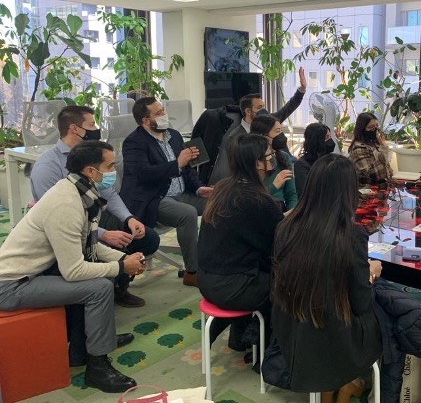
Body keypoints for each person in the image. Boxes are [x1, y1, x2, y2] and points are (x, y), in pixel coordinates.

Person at [0, 141, 147, 393]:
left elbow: (86, 243)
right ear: (91, 172)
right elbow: (74, 271)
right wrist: (122, 267)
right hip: (11, 286)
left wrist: (122, 259)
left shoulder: (77, 192)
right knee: (98, 287)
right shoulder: (67, 204)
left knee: (102, 274)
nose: (114, 171)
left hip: (33, 273)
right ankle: (97, 367)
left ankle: (83, 349)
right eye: (110, 166)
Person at [272, 154, 382, 394]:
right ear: (349, 191)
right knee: (389, 314)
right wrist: (370, 274)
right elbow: (362, 302)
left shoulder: (285, 227)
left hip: (290, 330)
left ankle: (341, 385)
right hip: (336, 336)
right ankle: (352, 383)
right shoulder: (352, 235)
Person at [30, 105, 159, 308]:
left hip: (94, 219)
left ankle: (118, 286)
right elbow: (58, 219)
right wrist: (103, 234)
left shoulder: (94, 154)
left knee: (147, 236)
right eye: (91, 124)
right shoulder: (47, 167)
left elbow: (109, 193)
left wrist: (128, 218)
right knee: (106, 247)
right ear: (74, 128)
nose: (96, 129)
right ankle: (102, 290)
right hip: (66, 231)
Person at [197, 133, 284, 351]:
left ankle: (241, 334)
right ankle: (270, 351)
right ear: (257, 163)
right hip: (233, 288)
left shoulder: (224, 188)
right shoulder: (257, 200)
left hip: (207, 280)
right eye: (269, 155)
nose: (272, 159)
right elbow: (279, 245)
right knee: (293, 283)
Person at [120, 97, 213, 288]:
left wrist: (198, 187)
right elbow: (143, 174)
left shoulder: (174, 135)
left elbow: (187, 170)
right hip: (155, 198)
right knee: (187, 214)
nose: (164, 115)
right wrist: (176, 164)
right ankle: (192, 272)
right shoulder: (133, 142)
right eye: (159, 113)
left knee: (219, 202)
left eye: (163, 110)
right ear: (145, 120)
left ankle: (214, 259)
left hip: (183, 192)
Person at [206, 67, 307, 185]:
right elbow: (236, 172)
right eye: (259, 108)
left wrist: (302, 89)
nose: (263, 111)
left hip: (283, 168)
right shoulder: (236, 138)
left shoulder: (270, 120)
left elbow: (288, 108)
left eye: (263, 106)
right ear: (248, 111)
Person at [250, 114, 298, 211]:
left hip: (280, 209)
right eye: (277, 131)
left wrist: (292, 215)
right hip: (259, 210)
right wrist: (274, 186)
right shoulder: (251, 159)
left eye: (281, 130)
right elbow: (251, 200)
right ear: (262, 136)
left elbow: (291, 194)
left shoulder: (284, 157)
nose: (281, 135)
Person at [348, 112, 392, 185]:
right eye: (371, 127)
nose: (375, 129)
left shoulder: (374, 143)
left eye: (376, 126)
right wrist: (384, 149)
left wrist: (392, 179)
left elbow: (387, 169)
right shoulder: (359, 148)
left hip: (381, 187)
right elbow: (374, 174)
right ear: (362, 129)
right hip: (366, 190)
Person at [294, 122, 336, 198]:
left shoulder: (332, 160)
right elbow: (305, 194)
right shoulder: (302, 165)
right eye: (326, 137)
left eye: (330, 137)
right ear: (316, 140)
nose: (330, 141)